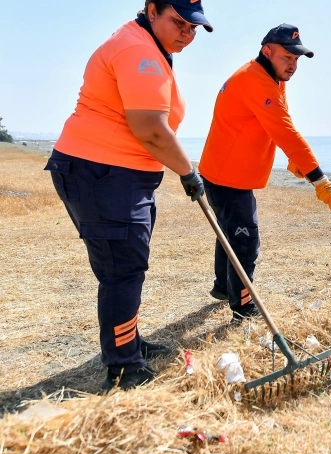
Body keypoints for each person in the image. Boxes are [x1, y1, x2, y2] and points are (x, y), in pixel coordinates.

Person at [44, 0, 212, 391]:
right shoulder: (139, 49)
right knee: (123, 271)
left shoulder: (150, 45)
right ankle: (123, 368)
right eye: (179, 23)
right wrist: (188, 172)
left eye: (193, 28)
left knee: (127, 266)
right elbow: (151, 128)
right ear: (152, 10)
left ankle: (129, 342)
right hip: (104, 174)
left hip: (119, 174)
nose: (187, 34)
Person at [198, 24, 331, 323]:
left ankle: (224, 288)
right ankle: (243, 307)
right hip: (227, 176)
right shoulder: (256, 81)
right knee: (245, 240)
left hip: (225, 170)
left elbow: (277, 122)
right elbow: (286, 130)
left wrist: (295, 160)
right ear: (267, 51)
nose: (293, 64)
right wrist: (319, 179)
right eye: (287, 57)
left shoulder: (270, 77)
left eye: (297, 59)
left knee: (230, 231)